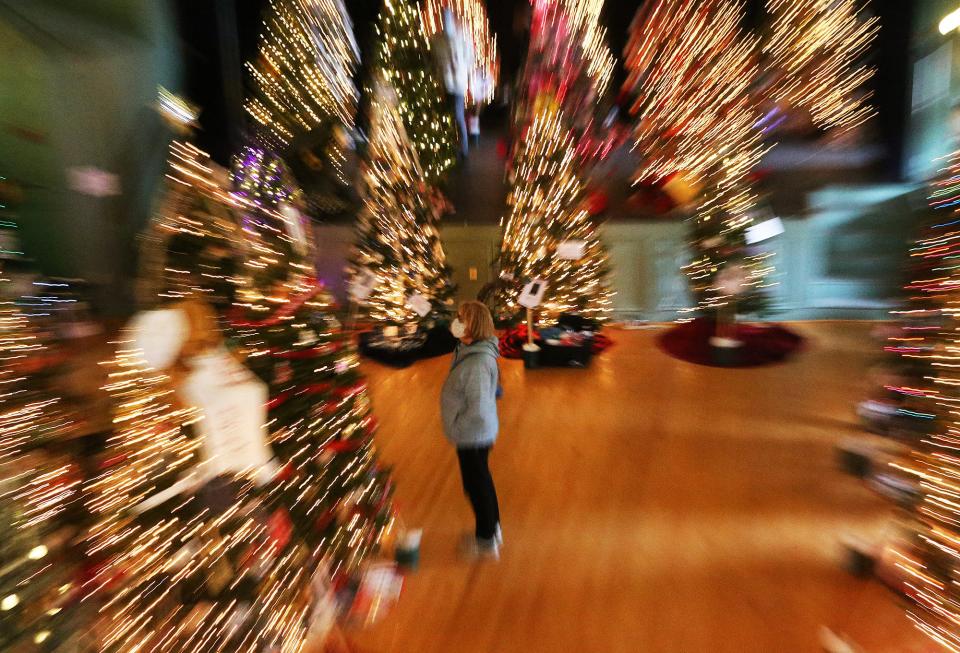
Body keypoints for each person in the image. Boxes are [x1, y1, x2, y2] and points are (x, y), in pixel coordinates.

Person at [441, 300, 502, 559]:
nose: (455, 321)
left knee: (476, 486)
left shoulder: (476, 363)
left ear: (472, 326)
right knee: (481, 482)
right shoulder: (471, 350)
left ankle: (486, 540)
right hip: (475, 432)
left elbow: (476, 407)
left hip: (472, 433)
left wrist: (456, 428)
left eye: (460, 318)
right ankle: (493, 529)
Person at [432, 8, 473, 159]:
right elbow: (436, 60)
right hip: (445, 83)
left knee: (457, 115)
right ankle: (454, 147)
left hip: (457, 83)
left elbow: (469, 58)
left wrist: (460, 66)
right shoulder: (437, 40)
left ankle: (463, 148)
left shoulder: (463, 38)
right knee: (449, 116)